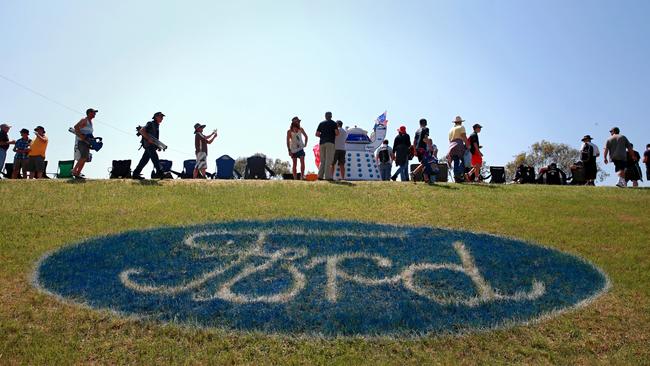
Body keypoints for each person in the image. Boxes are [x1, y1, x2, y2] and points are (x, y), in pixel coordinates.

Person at [132, 112, 166, 180]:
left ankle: (135, 174)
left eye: (162, 117)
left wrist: (158, 146)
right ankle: (159, 172)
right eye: (161, 117)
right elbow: (142, 130)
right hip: (149, 145)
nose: (162, 118)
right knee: (155, 158)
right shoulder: (150, 123)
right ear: (156, 117)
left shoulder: (156, 125)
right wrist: (148, 138)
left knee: (144, 161)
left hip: (151, 145)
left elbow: (155, 138)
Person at [71, 108, 98, 179]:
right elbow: (76, 127)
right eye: (93, 112)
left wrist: (93, 141)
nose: (95, 114)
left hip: (87, 142)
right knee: (83, 157)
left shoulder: (90, 122)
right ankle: (74, 170)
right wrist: (81, 136)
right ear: (89, 113)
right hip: (81, 142)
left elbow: (89, 133)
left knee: (85, 158)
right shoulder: (84, 120)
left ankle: (77, 173)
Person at [315, 111, 339, 180]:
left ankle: (320, 176)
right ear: (331, 116)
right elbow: (337, 133)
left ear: (325, 116)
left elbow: (317, 134)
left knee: (322, 160)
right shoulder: (334, 123)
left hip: (322, 142)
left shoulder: (321, 123)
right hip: (330, 142)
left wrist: (322, 136)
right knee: (329, 160)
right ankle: (328, 177)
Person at [448, 116, 470, 182]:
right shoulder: (461, 127)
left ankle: (456, 177)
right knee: (464, 161)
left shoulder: (450, 130)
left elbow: (449, 140)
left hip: (451, 146)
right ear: (460, 122)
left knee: (456, 161)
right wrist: (468, 145)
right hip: (459, 144)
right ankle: (458, 174)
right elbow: (464, 136)